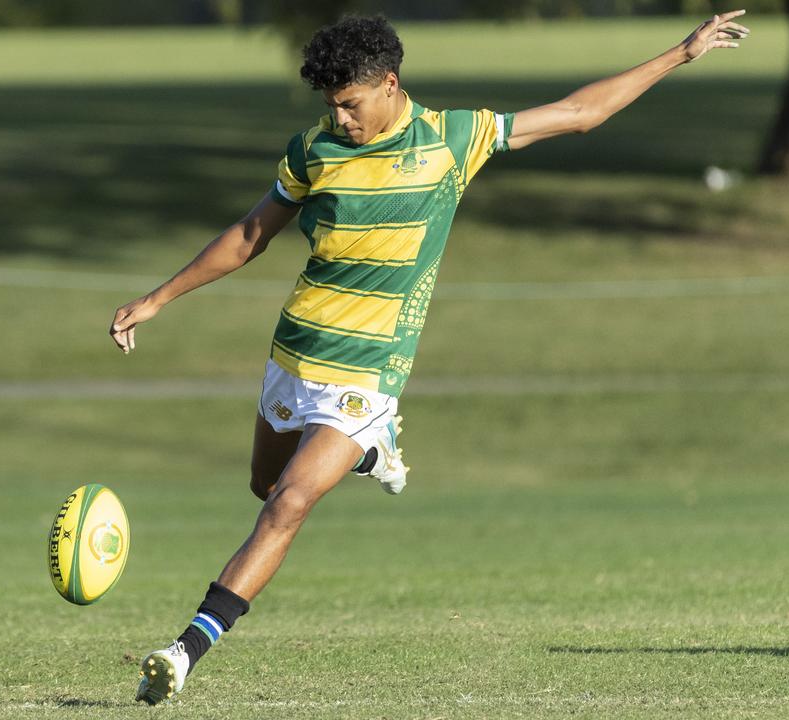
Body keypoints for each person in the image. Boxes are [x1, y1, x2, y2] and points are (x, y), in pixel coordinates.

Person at [110, 11, 748, 705]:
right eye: (332, 106)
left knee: (289, 505)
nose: (342, 119)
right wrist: (159, 298)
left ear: (389, 84)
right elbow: (248, 235)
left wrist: (681, 54)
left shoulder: (453, 138)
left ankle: (184, 650)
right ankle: (368, 453)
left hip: (369, 370)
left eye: (351, 104)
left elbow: (577, 114)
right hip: (295, 351)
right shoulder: (313, 150)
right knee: (266, 486)